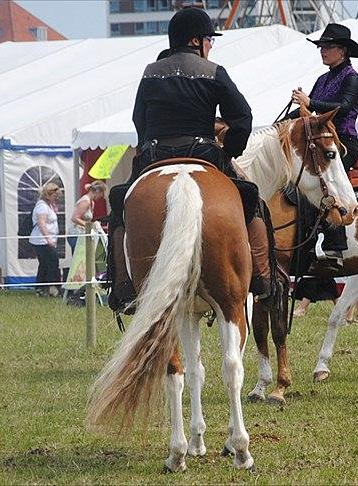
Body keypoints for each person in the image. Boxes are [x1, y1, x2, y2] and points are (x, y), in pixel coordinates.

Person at [107, 7, 270, 311]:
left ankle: (121, 284)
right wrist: (231, 149)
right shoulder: (213, 71)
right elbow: (243, 116)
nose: (211, 45)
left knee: (119, 202)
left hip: (154, 154)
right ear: (196, 40)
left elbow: (138, 117)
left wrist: (147, 143)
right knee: (251, 197)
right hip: (202, 151)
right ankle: (261, 277)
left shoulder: (150, 72)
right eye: (210, 39)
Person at [288, 23, 358, 270]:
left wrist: (309, 101)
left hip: (343, 142)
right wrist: (282, 123)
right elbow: (310, 112)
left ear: (342, 51)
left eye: (328, 46)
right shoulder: (323, 78)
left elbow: (341, 107)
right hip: (318, 142)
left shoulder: (354, 80)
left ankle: (335, 248)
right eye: (321, 47)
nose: (322, 51)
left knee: (326, 183)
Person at [30, 182, 62, 297]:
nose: (56, 198)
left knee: (44, 264)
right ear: (48, 195)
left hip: (46, 240)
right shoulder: (42, 206)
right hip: (42, 241)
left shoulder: (48, 205)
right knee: (53, 263)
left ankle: (41, 288)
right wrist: (48, 238)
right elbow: (41, 223)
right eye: (55, 196)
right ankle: (53, 288)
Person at [68, 181, 107, 253]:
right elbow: (75, 218)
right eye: (102, 193)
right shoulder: (85, 201)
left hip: (83, 233)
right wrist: (90, 226)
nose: (102, 196)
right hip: (76, 235)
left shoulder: (92, 202)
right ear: (97, 191)